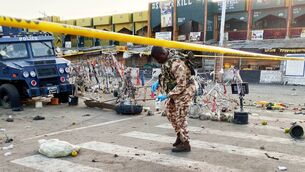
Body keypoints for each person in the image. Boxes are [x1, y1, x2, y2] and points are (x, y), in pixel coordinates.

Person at [151, 46, 195, 152]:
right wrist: (158, 82)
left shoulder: (177, 63)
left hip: (185, 90)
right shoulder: (167, 60)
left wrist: (167, 95)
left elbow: (182, 84)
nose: (157, 61)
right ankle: (180, 136)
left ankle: (185, 143)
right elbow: (166, 75)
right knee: (169, 111)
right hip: (175, 91)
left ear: (162, 54)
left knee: (180, 116)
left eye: (158, 59)